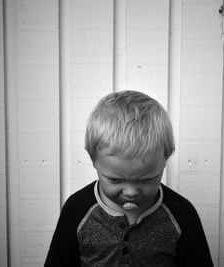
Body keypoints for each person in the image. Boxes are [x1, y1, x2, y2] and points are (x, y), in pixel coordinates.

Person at [45, 90, 213, 266]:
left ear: (166, 158)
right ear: (93, 159)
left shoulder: (182, 215)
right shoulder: (77, 210)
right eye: (115, 180)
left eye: (146, 179)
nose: (131, 192)